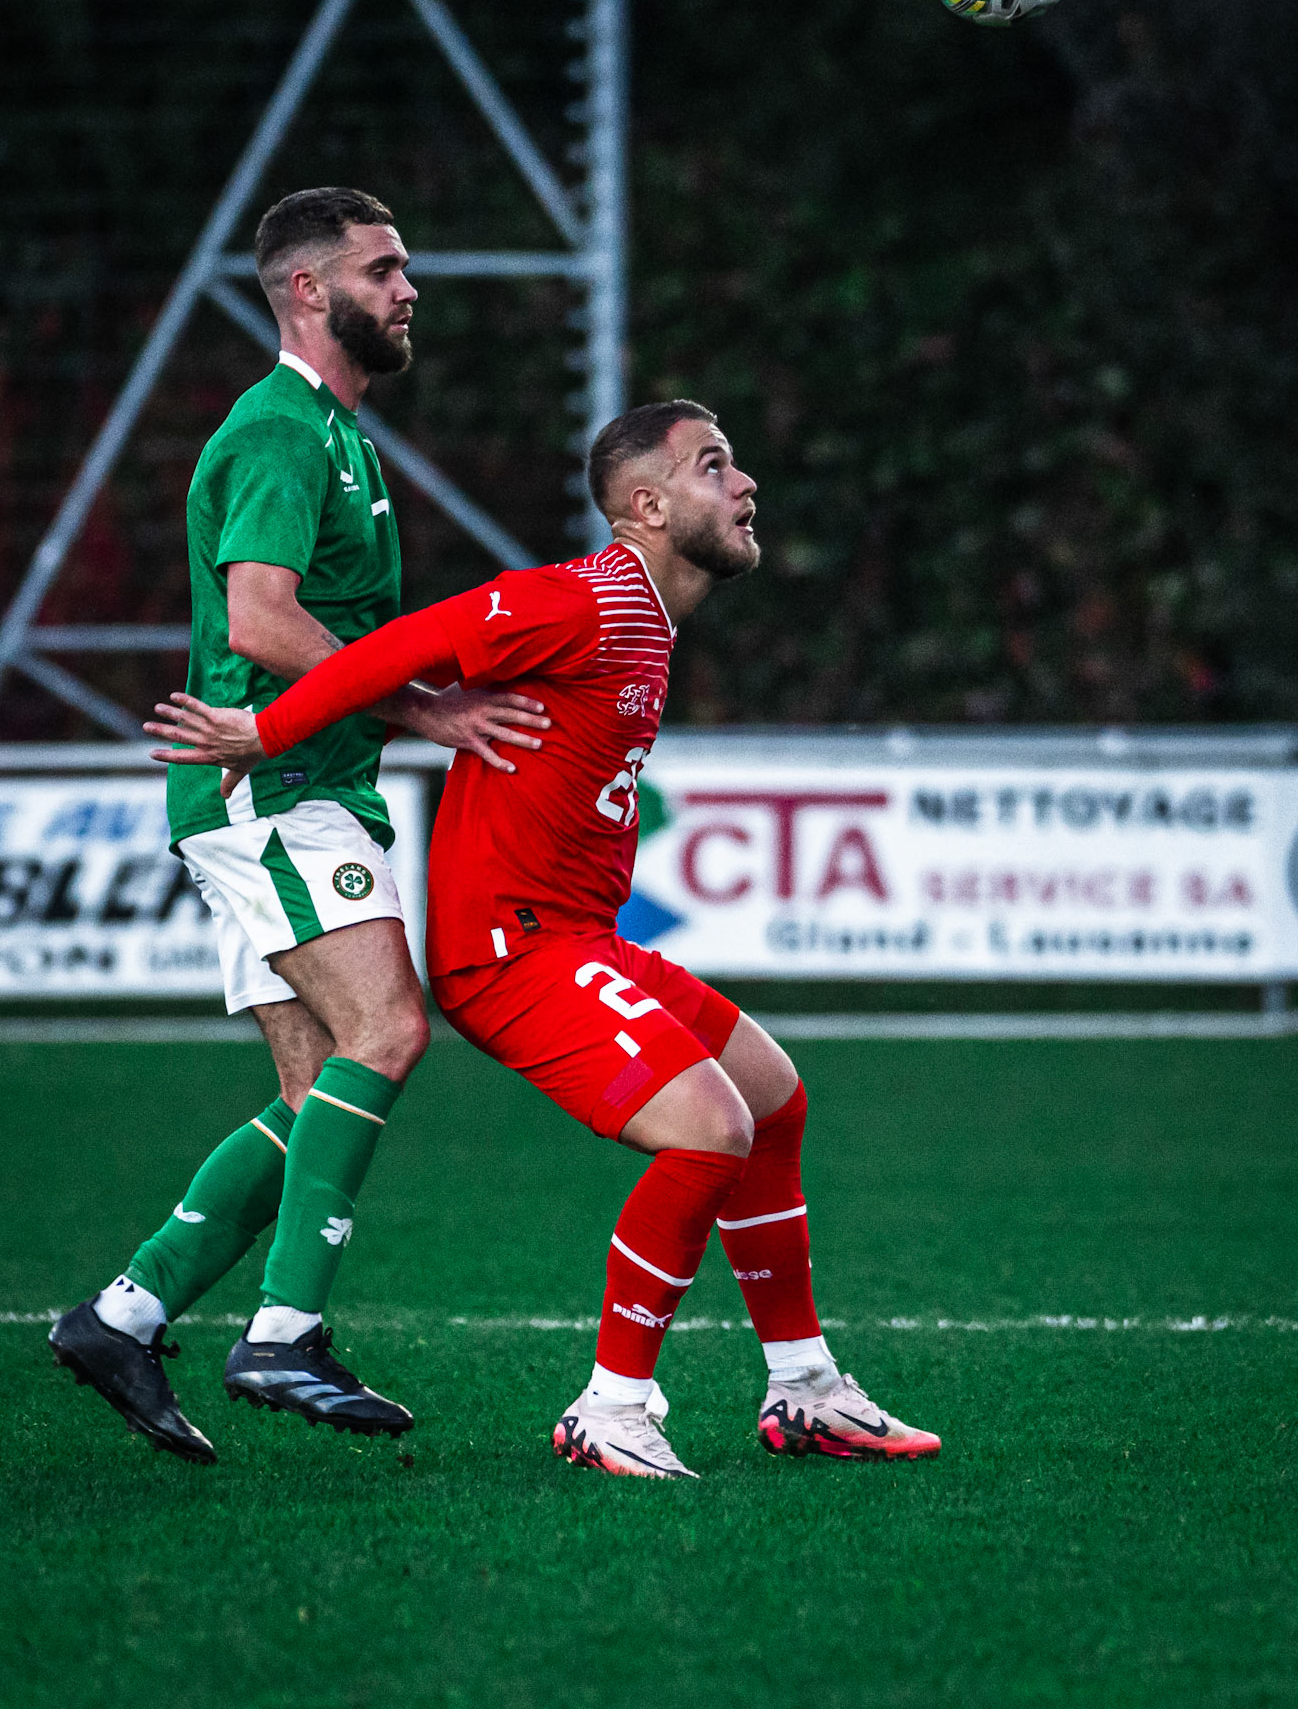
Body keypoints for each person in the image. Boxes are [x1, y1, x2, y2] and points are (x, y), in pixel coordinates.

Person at [147, 399, 941, 1479]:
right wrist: (269, 728)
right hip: (510, 951)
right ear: (647, 506)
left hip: (579, 937)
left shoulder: (649, 617)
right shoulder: (588, 596)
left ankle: (804, 1386)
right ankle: (612, 1406)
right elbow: (411, 642)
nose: (746, 483)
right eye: (715, 466)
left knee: (770, 1094)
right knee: (707, 1127)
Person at [49, 186, 548, 1464]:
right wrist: (428, 704)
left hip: (295, 785)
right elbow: (263, 617)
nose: (409, 289)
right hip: (271, 790)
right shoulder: (280, 430)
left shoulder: (335, 431)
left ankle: (125, 1313)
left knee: (314, 1082)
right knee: (387, 1030)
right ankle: (281, 1329)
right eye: (383, 270)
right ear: (309, 291)